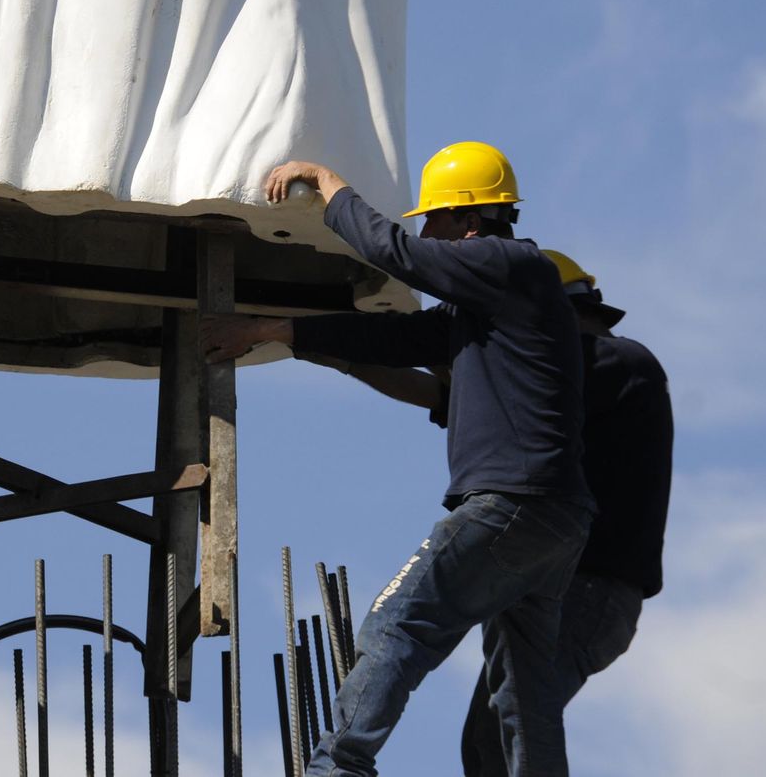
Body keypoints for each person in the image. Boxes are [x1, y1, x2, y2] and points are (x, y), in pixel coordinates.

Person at [203, 142, 595, 777]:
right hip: (554, 519)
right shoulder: (496, 301)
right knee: (525, 691)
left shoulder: (507, 264)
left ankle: (338, 769)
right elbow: (401, 337)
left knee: (396, 627)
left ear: (469, 220)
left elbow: (400, 255)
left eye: (433, 220)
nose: (425, 232)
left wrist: (330, 184)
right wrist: (282, 333)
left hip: (509, 507)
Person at [460, 251, 673, 777]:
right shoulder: (560, 384)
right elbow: (442, 390)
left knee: (506, 735)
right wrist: (328, 351)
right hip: (566, 590)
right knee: (489, 740)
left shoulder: (618, 361)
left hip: (590, 592)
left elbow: (502, 377)